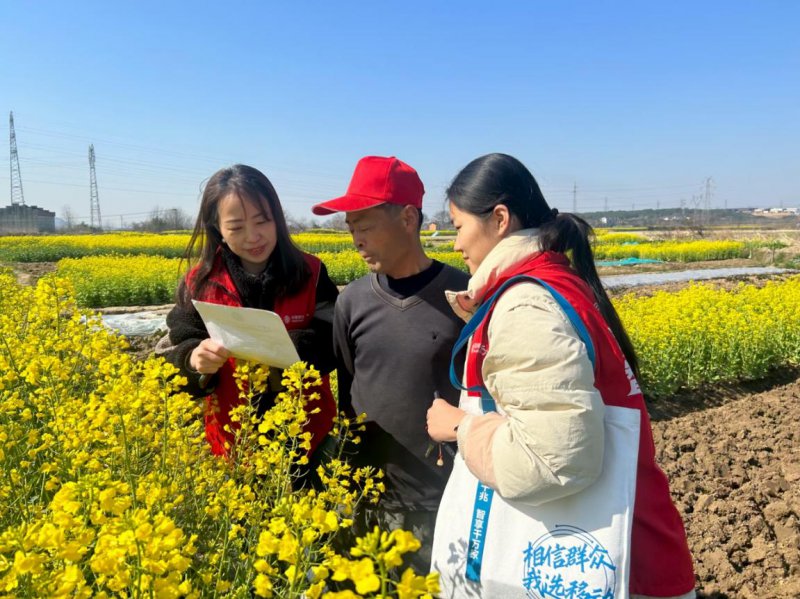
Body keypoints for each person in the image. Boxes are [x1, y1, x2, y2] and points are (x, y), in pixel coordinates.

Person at [426, 153, 695, 598]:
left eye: (457, 227)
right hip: (640, 554)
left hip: (623, 574)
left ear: (499, 219)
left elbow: (555, 460)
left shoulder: (527, 304)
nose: (455, 245)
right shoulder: (554, 281)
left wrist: (460, 426)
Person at [311, 155, 470, 572]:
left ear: (408, 218)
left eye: (365, 227)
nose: (357, 240)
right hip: (369, 496)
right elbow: (349, 390)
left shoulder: (465, 295)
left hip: (440, 498)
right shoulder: (352, 301)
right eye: (351, 229)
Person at [161, 164, 338, 470]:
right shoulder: (199, 283)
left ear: (277, 220)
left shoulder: (311, 273)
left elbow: (335, 338)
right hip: (234, 441)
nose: (253, 236)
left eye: (262, 221)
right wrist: (194, 360)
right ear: (217, 228)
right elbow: (175, 348)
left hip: (308, 435)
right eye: (237, 227)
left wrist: (292, 348)